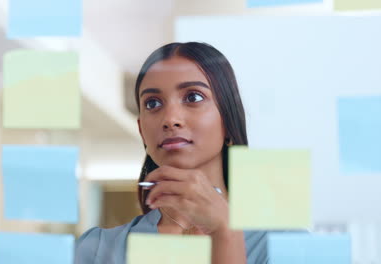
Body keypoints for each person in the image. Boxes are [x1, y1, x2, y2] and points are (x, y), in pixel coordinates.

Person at [75, 42, 270, 264]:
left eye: (193, 97)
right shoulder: (96, 250)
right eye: (153, 103)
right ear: (141, 130)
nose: (170, 119)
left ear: (228, 120)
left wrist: (225, 233)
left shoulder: (283, 248)